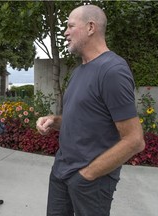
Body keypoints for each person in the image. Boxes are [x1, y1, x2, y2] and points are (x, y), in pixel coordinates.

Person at [36, 5, 145, 216]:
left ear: (90, 27)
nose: (65, 32)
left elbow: (134, 140)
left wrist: (88, 174)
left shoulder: (113, 71)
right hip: (61, 172)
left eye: (70, 26)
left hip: (91, 181)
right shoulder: (79, 71)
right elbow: (82, 117)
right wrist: (53, 121)